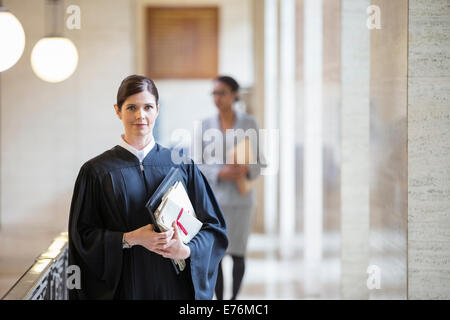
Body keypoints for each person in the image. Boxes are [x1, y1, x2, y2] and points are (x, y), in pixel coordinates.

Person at [68, 75, 228, 300]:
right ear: (117, 111)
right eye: (131, 107)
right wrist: (130, 238)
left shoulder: (182, 165)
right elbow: (81, 238)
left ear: (157, 110)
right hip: (124, 290)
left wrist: (186, 250)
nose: (140, 115)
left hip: (175, 289)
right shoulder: (96, 171)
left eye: (147, 107)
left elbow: (215, 229)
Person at [198, 76, 263, 300]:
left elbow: (260, 162)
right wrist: (219, 172)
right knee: (216, 255)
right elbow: (197, 164)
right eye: (214, 93)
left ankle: (233, 301)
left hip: (242, 201)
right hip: (215, 202)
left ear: (235, 94)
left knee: (238, 254)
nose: (217, 98)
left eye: (222, 92)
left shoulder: (249, 123)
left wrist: (245, 169)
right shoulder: (205, 125)